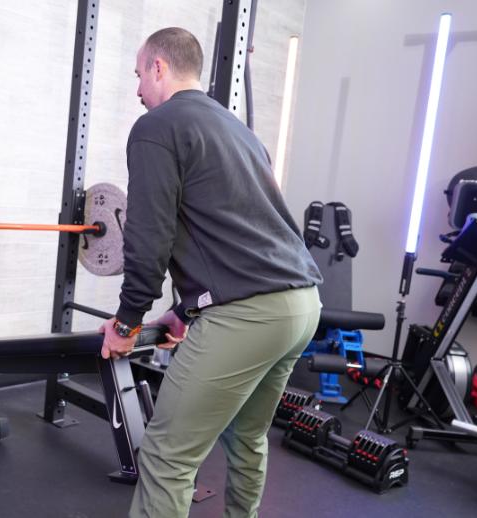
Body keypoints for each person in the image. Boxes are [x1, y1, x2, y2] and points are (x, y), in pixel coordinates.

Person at [98, 27, 324, 518]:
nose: (137, 90)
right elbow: (234, 230)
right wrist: (183, 311)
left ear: (159, 67)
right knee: (247, 438)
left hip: (248, 315)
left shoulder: (157, 126)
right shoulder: (236, 129)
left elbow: (148, 237)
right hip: (302, 306)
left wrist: (126, 323)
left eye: (139, 75)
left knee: (166, 455)